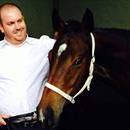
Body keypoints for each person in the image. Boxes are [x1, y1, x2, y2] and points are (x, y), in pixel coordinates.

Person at [0, 2, 55, 130]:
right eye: (11, 23)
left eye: (20, 21)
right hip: (7, 126)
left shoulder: (44, 46)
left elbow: (75, 46)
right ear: (1, 27)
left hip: (40, 124)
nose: (18, 26)